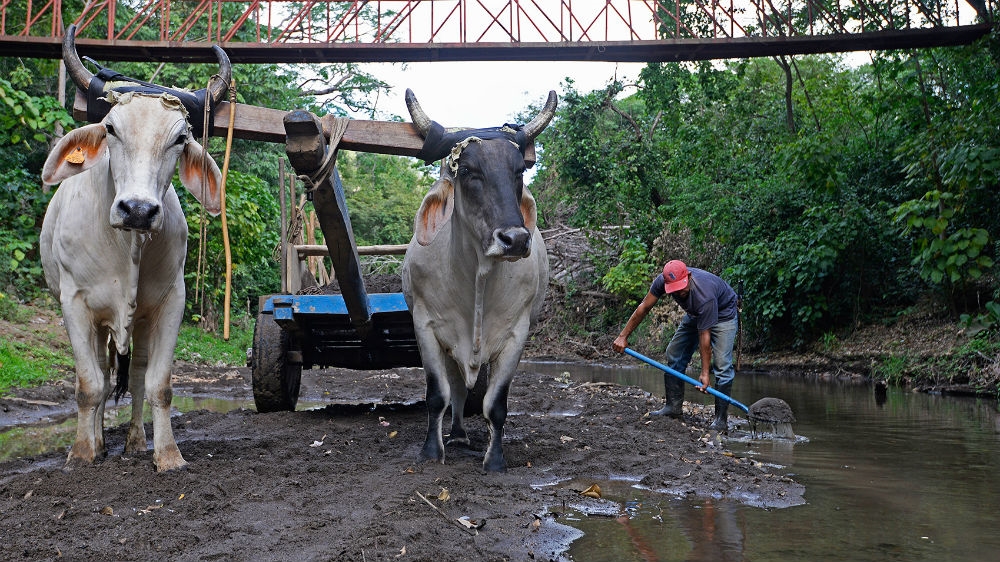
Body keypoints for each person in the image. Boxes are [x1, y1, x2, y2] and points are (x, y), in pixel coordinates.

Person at [612, 260, 739, 432]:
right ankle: (673, 408)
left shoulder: (704, 294)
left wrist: (704, 373)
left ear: (688, 276)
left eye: (681, 287)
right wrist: (622, 336)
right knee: (674, 352)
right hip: (695, 314)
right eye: (675, 289)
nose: (679, 292)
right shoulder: (662, 281)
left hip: (724, 314)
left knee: (722, 366)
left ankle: (720, 421)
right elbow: (644, 307)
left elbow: (704, 336)